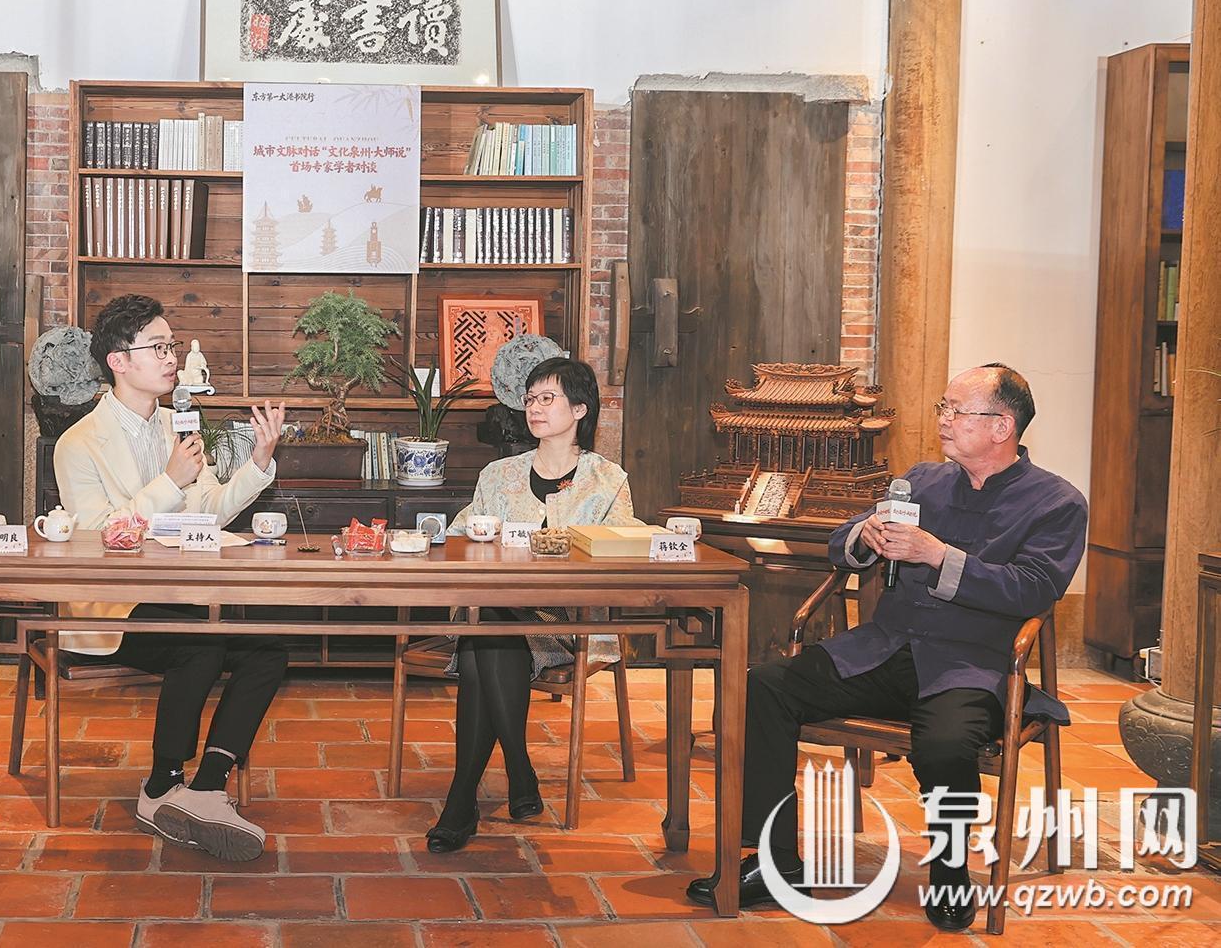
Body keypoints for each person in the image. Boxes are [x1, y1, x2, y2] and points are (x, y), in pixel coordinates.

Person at [685, 364, 1087, 931]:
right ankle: (775, 863)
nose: (943, 420)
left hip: (969, 666)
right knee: (763, 688)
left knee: (945, 746)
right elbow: (839, 544)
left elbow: (1034, 588)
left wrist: (936, 555)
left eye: (956, 410)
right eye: (943, 407)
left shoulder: (1056, 502)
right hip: (880, 650)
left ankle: (950, 873)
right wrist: (863, 536)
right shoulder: (921, 481)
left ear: (1002, 426)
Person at [53, 294, 289, 861]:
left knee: (270, 644)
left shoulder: (178, 425)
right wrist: (168, 480)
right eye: (157, 347)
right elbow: (98, 536)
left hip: (181, 593)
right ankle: (161, 786)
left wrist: (258, 461)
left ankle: (206, 785)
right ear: (118, 361)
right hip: (111, 608)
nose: (171, 358)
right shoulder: (76, 443)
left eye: (171, 346)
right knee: (198, 641)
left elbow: (209, 513)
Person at [425, 357, 639, 853]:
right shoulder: (499, 474)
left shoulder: (607, 480)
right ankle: (505, 778)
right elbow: (461, 535)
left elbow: (621, 548)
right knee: (491, 625)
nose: (535, 408)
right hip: (495, 608)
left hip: (566, 620)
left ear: (580, 409)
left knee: (484, 642)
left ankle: (474, 794)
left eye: (548, 398)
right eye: (530, 399)